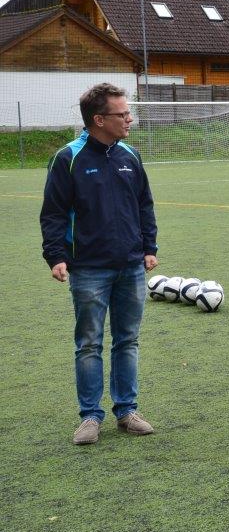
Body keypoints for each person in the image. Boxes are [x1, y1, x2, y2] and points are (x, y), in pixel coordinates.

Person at [40, 83, 159, 445]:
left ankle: (127, 411)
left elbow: (144, 204)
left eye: (128, 112)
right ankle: (90, 416)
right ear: (99, 119)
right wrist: (56, 255)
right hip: (89, 268)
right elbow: (53, 213)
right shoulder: (68, 158)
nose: (129, 119)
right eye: (122, 114)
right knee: (89, 343)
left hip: (131, 265)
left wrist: (149, 246)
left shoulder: (130, 156)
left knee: (127, 340)